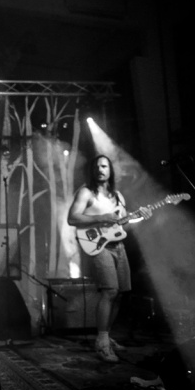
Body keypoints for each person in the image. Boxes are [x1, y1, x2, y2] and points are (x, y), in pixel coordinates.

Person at [67, 154, 151, 363]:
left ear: (110, 170)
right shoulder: (86, 192)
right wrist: (102, 217)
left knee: (121, 293)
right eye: (97, 166)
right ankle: (101, 342)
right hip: (98, 246)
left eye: (104, 166)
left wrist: (140, 217)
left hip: (118, 246)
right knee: (110, 291)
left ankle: (107, 336)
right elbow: (72, 218)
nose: (100, 169)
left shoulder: (118, 197)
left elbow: (122, 226)